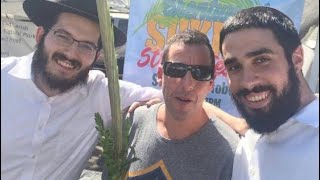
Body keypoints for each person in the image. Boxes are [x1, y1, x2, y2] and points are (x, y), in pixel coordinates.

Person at [1, 0, 163, 179]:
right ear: (40, 35)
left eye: (86, 46)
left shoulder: (102, 93)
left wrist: (157, 107)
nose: (71, 53)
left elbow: (176, 100)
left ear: (97, 56)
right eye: (63, 36)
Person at [219, 6, 319, 180]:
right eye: (234, 67)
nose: (248, 82)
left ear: (297, 59)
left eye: (261, 60)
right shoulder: (248, 144)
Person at [126, 29, 240, 180]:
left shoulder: (229, 154)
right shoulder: (134, 121)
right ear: (160, 75)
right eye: (176, 70)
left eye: (200, 73)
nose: (187, 85)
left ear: (210, 83)